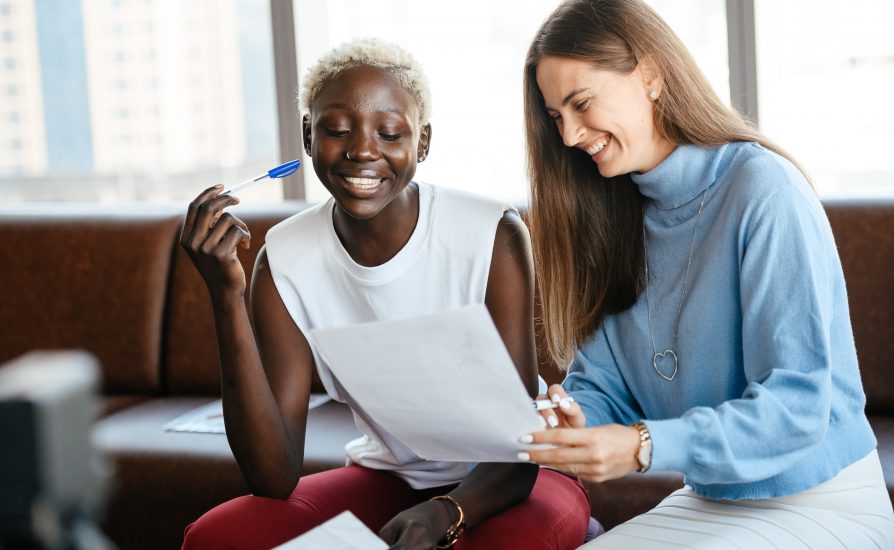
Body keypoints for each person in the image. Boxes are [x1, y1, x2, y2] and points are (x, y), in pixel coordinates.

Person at [179, 38, 590, 550]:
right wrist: (226, 297)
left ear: (422, 143)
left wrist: (446, 512)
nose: (363, 150)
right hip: (392, 479)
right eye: (336, 130)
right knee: (221, 538)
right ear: (309, 136)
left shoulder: (492, 235)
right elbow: (272, 477)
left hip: (516, 479)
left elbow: (515, 450)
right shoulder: (284, 258)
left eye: (390, 132)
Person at [516, 1, 894, 548]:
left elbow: (796, 408)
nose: (571, 136)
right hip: (714, 501)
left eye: (581, 103)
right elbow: (602, 386)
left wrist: (643, 445)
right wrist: (574, 422)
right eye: (556, 117)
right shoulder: (610, 215)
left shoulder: (764, 191)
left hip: (824, 502)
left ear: (649, 74)